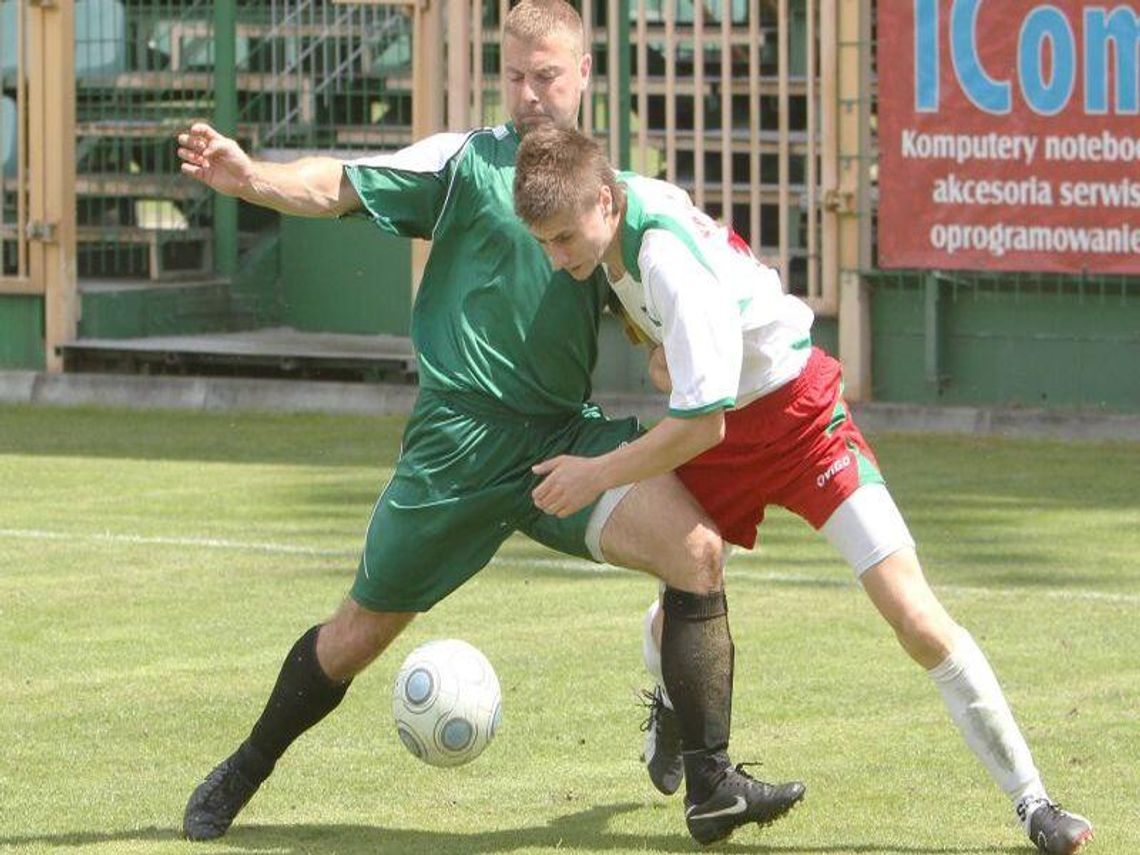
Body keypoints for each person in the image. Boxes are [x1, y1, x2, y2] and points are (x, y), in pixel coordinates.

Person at [174, 0, 804, 846]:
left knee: (696, 553)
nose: (529, 93)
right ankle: (241, 770)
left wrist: (663, 353)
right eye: (513, 76)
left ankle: (710, 783)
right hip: (457, 446)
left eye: (546, 75)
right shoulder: (466, 163)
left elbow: (650, 304)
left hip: (560, 439)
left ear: (582, 73)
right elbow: (339, 183)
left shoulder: (604, 189)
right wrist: (252, 178)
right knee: (356, 635)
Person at [512, 124, 1095, 855]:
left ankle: (1034, 802)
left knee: (914, 616)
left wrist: (596, 470)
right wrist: (669, 354)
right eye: (544, 244)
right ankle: (672, 699)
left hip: (798, 418)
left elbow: (699, 428)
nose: (558, 257)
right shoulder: (609, 203)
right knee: (679, 602)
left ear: (605, 199)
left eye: (564, 238)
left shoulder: (665, 260)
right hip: (725, 415)